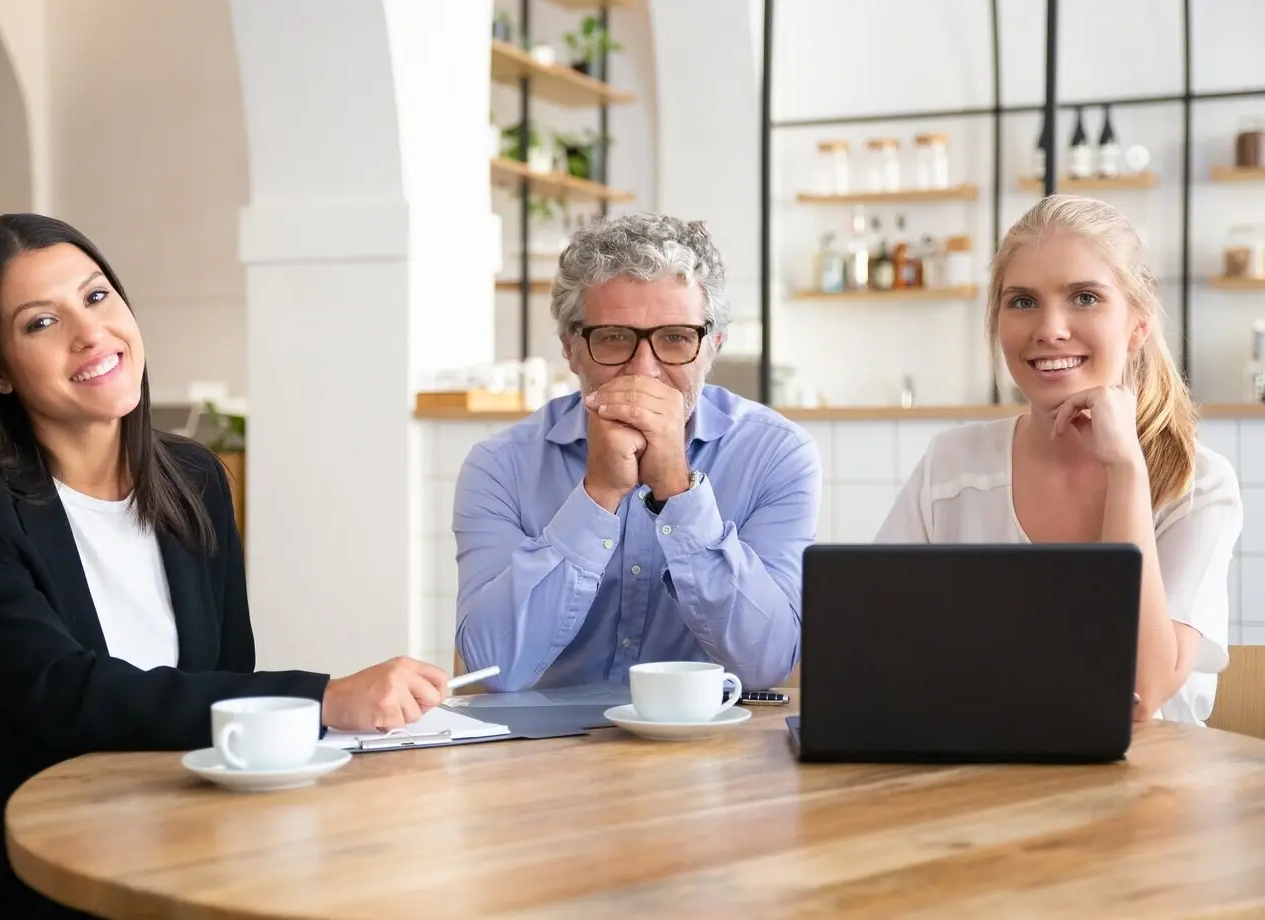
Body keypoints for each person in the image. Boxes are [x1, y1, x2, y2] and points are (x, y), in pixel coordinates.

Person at [0, 214, 451, 918]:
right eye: (40, 323)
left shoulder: (194, 479)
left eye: (96, 298)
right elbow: (67, 695)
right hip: (13, 880)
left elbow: (225, 679)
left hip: (168, 847)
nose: (89, 333)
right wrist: (324, 698)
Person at [875, 195, 1242, 725]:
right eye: (1022, 301)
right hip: (980, 780)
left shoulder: (1199, 484)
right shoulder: (952, 465)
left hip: (1151, 790)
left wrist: (1126, 470)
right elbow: (875, 646)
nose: (1049, 328)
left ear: (1138, 322)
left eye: (1085, 297)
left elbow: (1144, 692)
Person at [454, 213, 821, 693]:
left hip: (715, 751)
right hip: (543, 752)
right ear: (571, 349)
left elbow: (768, 664)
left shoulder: (778, 455)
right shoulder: (500, 466)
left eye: (675, 339)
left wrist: (678, 490)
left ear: (712, 347)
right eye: (614, 338)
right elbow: (491, 668)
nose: (644, 371)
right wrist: (598, 494)